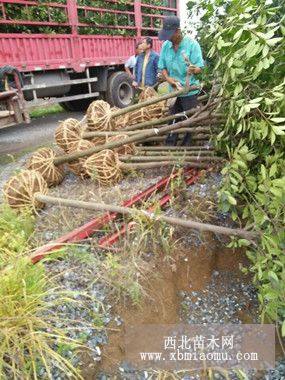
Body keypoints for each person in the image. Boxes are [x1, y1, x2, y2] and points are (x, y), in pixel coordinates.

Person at [158, 16, 204, 146]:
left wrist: (193, 70)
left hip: (189, 91)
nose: (168, 38)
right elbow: (162, 67)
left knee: (189, 118)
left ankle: (187, 146)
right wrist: (168, 79)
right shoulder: (166, 46)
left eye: (170, 35)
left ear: (178, 31)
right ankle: (170, 144)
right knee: (173, 117)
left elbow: (200, 68)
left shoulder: (192, 45)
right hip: (174, 90)